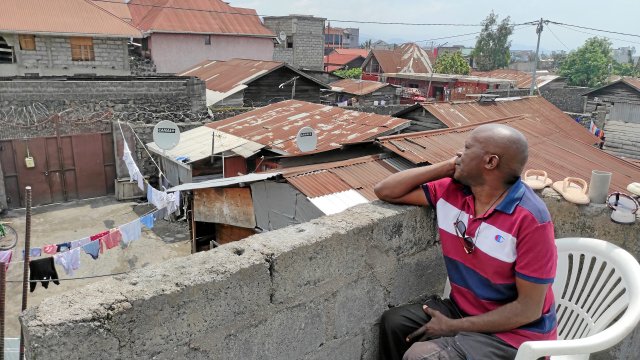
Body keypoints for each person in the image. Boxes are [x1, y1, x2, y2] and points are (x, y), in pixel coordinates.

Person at [373, 124, 557, 360]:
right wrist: (449, 167)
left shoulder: (531, 219)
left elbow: (528, 310)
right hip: (463, 310)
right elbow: (386, 190)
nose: (458, 154)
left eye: (467, 148)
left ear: (490, 162)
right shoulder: (454, 191)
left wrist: (454, 327)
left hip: (515, 335)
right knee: (396, 323)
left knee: (421, 356)